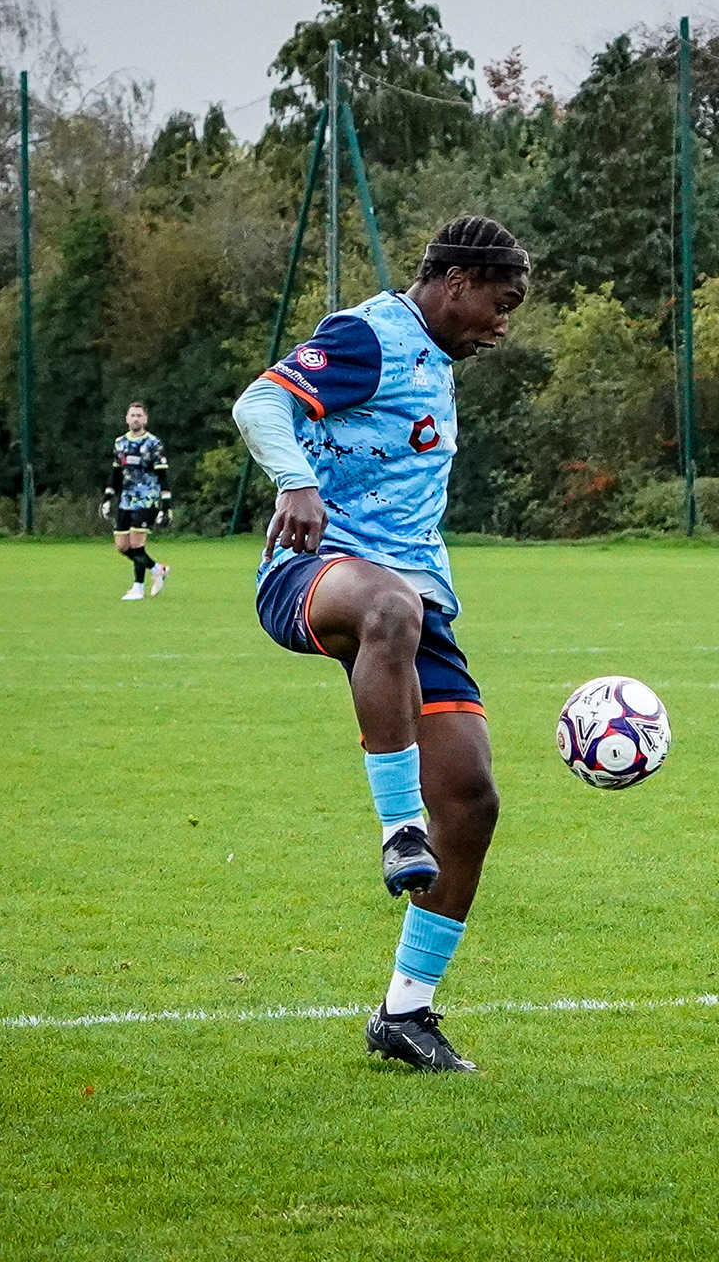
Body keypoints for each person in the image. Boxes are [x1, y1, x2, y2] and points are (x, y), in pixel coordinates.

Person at [231, 215, 527, 1073]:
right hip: (315, 573)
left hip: (416, 601)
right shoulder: (372, 335)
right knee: (389, 607)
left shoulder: (435, 359)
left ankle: (405, 1012)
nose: (504, 324)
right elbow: (259, 402)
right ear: (457, 282)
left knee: (470, 802)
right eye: (501, 303)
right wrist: (296, 481)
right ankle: (399, 829)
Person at [102, 402, 170, 601]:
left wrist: (166, 505)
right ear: (126, 419)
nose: (136, 419)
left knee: (137, 545)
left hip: (147, 498)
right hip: (126, 500)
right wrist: (108, 497)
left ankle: (138, 588)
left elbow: (163, 475)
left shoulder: (153, 443)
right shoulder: (120, 443)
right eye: (132, 415)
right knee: (122, 546)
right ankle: (157, 569)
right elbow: (116, 473)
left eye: (139, 415)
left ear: (145, 419)